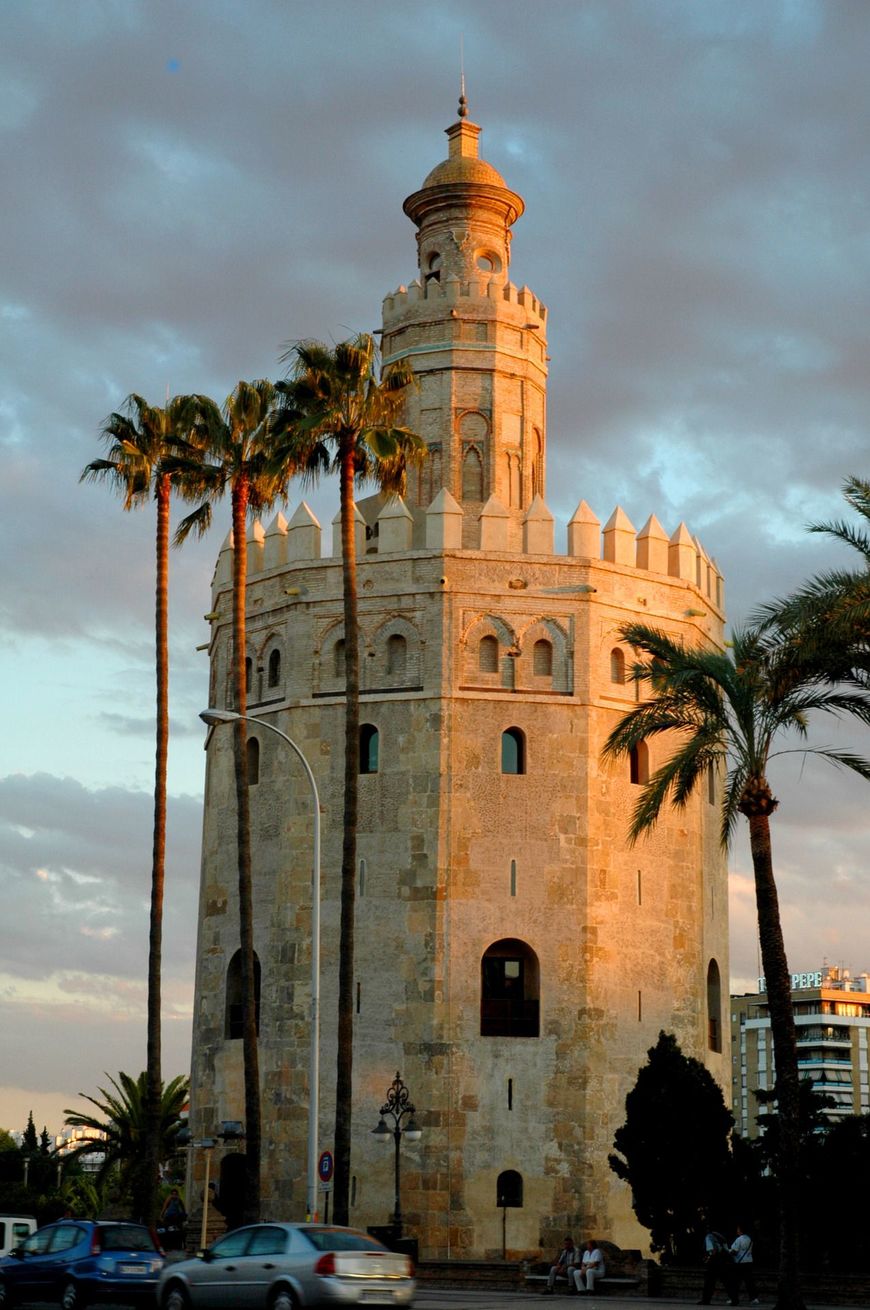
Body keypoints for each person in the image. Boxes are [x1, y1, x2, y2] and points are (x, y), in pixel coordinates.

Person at [697, 1227, 734, 1305]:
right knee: (726, 1280)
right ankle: (734, 1298)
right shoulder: (720, 1237)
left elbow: (712, 1250)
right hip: (723, 1260)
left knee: (709, 1281)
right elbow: (726, 1250)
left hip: (714, 1261)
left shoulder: (708, 1237)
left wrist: (708, 1259)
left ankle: (706, 1300)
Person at [730, 1225, 759, 1305]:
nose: (737, 1230)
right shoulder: (749, 1238)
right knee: (749, 1281)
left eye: (738, 1229)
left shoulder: (739, 1239)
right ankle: (753, 1298)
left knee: (736, 1282)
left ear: (740, 1230)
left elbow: (734, 1251)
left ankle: (734, 1299)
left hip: (740, 1263)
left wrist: (728, 1252)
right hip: (749, 1261)